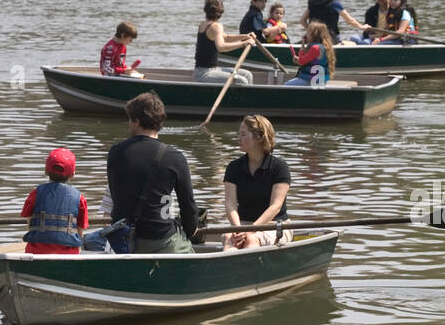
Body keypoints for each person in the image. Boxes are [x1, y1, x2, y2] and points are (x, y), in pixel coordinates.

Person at [106, 92, 200, 253]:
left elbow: (116, 197)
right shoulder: (175, 158)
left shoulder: (116, 153)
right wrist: (190, 233)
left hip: (122, 238)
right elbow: (188, 206)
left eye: (130, 119)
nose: (129, 124)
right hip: (160, 237)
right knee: (189, 250)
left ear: (136, 121)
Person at [223, 114, 292, 250]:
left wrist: (250, 231)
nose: (238, 139)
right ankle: (226, 269)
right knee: (228, 238)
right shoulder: (233, 167)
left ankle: (248, 270)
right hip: (242, 224)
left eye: (243, 135)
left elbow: (275, 207)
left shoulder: (280, 167)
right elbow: (230, 203)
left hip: (275, 224)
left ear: (259, 137)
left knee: (251, 240)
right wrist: (238, 229)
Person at [21, 148, 88, 255]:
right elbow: (80, 230)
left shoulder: (36, 193)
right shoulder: (79, 198)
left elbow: (29, 221)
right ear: (73, 174)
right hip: (69, 254)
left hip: (37, 252)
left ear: (46, 171)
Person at [196, 0, 256, 84]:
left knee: (247, 75)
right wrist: (244, 44)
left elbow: (226, 37)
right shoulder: (216, 26)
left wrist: (245, 36)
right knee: (242, 81)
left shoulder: (204, 24)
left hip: (211, 69)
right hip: (204, 73)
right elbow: (221, 47)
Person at [300, 0, 368, 43]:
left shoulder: (313, 2)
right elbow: (350, 21)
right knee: (353, 43)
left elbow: (302, 21)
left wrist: (312, 33)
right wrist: (362, 27)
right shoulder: (335, 3)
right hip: (330, 39)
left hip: (313, 39)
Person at [287, 21, 335, 85]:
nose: (306, 34)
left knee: (287, 85)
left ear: (313, 35)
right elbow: (310, 60)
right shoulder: (325, 46)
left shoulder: (315, 48)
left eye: (308, 32)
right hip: (319, 81)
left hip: (311, 81)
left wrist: (302, 48)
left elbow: (302, 62)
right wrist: (298, 60)